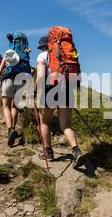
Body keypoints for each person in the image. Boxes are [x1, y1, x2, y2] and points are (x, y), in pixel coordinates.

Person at [35, 36, 85, 169]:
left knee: (44, 121)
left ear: (44, 46)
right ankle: (76, 151)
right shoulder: (65, 55)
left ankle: (48, 152)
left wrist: (35, 91)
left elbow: (40, 76)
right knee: (65, 125)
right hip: (68, 88)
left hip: (51, 88)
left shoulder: (42, 56)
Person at [0, 33, 32, 147]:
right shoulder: (25, 52)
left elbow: (2, 67)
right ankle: (14, 128)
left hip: (9, 78)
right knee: (15, 106)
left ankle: (10, 129)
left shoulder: (10, 51)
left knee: (6, 106)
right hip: (21, 80)